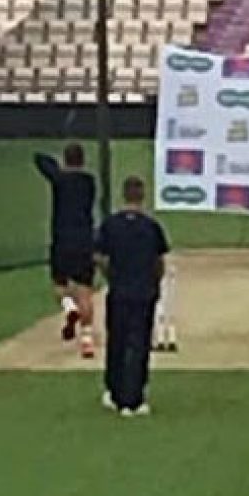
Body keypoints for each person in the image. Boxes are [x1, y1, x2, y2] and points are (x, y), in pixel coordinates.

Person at [95, 176, 170, 418]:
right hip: (144, 292)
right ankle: (135, 398)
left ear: (123, 195)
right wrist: (153, 282)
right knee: (139, 344)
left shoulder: (110, 226)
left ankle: (115, 393)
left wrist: (112, 276)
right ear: (142, 195)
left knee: (116, 341)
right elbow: (159, 261)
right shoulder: (151, 227)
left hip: (119, 291)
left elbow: (100, 257)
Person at [33, 145, 97, 358]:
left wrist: (55, 164)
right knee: (86, 290)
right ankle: (87, 338)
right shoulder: (89, 182)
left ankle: (69, 308)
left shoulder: (60, 180)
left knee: (60, 285)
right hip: (85, 241)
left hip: (62, 240)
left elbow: (39, 159)